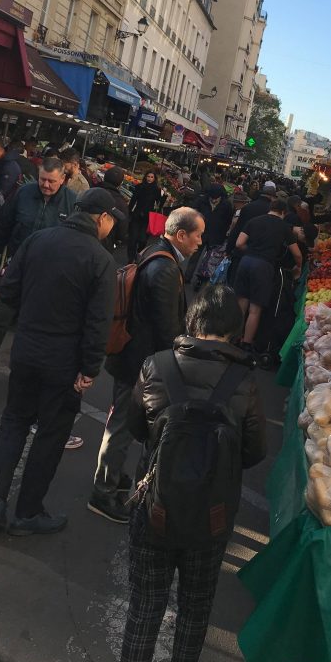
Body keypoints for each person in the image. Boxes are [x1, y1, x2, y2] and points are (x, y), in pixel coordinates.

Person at [115, 284, 266, 662]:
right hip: (211, 516)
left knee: (144, 608)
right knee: (195, 611)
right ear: (234, 330)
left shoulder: (156, 365)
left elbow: (135, 429)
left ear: (192, 319)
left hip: (155, 508)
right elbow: (254, 452)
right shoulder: (244, 380)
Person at [0, 188, 121, 535]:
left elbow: (9, 290)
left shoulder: (37, 240)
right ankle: (28, 511)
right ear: (102, 218)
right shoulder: (100, 259)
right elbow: (97, 322)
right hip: (64, 360)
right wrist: (90, 368)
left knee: (13, 421)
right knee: (51, 432)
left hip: (27, 347)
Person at [89, 207, 205, 523]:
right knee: (122, 425)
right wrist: (176, 366)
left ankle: (111, 476)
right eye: (197, 235)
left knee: (124, 422)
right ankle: (103, 492)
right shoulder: (166, 269)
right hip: (140, 361)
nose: (200, 242)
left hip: (133, 356)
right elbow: (167, 329)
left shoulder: (155, 250)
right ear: (181, 235)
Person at [0, 157, 77, 401]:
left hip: (47, 281)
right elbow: (1, 226)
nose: (46, 185)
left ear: (63, 179)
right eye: (42, 179)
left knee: (34, 334)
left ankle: (27, 388)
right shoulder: (23, 194)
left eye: (52, 181)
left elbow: (76, 244)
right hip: (14, 272)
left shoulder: (72, 203)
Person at [234, 197, 302, 351]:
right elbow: (297, 254)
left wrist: (251, 252)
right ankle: (246, 342)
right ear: (283, 212)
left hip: (245, 262)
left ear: (270, 208)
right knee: (255, 308)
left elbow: (239, 243)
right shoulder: (284, 227)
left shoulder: (254, 221)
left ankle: (235, 336)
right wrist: (298, 266)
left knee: (241, 302)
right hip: (264, 266)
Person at [190, 182, 233, 285]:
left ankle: (203, 278)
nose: (214, 200)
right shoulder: (202, 200)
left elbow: (228, 220)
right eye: (212, 197)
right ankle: (188, 276)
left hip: (217, 235)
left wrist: (224, 233)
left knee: (210, 259)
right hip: (201, 233)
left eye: (216, 198)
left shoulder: (226, 204)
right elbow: (193, 213)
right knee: (195, 255)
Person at [127, 170, 162, 262]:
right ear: (145, 177)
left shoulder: (157, 190)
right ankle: (131, 258)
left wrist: (163, 196)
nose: (149, 179)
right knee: (133, 238)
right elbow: (133, 200)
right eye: (148, 176)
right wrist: (129, 211)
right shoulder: (139, 187)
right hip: (137, 214)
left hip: (148, 217)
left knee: (142, 239)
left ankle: (139, 252)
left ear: (154, 179)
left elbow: (159, 204)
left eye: (152, 177)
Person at [100, 166, 129, 251]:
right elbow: (122, 230)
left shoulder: (91, 191)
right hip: (106, 244)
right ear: (120, 183)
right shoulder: (121, 203)